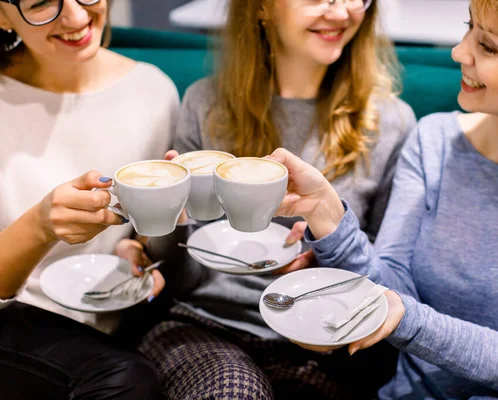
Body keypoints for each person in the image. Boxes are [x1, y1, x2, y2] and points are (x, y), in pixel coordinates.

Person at [267, 0, 498, 398]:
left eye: (488, 47)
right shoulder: (432, 142)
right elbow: (390, 286)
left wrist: (409, 320)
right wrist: (327, 214)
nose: (459, 52)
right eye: (468, 27)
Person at [136, 0, 416, 398]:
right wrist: (171, 219)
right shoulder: (206, 104)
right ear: (261, 8)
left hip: (321, 338)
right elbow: (181, 279)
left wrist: (326, 258)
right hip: (204, 325)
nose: (341, 13)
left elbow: (389, 279)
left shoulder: (391, 122)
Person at [0, 0, 178, 398]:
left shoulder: (153, 91)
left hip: (110, 325)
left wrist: (141, 250)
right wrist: (40, 225)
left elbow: (148, 237)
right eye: (42, 3)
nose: (77, 18)